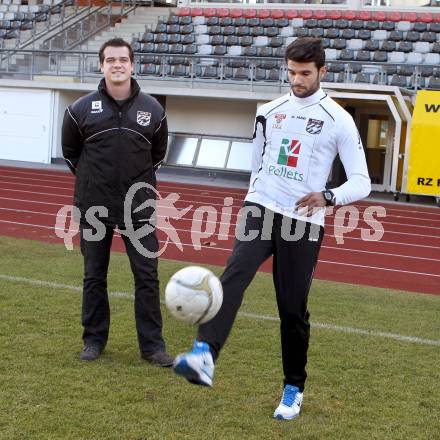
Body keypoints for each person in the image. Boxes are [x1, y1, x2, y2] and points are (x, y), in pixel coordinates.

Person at [173, 37, 371, 419]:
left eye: (305, 74)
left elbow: (361, 181)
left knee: (292, 309)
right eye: (292, 72)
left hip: (303, 222)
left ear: (322, 72)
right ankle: (204, 356)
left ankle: (293, 388)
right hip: (261, 208)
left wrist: (328, 197)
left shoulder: (338, 120)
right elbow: (257, 165)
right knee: (232, 277)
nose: (297, 80)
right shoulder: (268, 110)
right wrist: (253, 198)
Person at [61, 38, 173, 366]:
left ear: (133, 65)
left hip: (137, 209)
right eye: (110, 60)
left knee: (147, 277)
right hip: (94, 208)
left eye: (123, 59)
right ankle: (93, 340)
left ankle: (152, 347)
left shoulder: (153, 110)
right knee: (94, 275)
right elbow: (71, 154)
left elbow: (157, 155)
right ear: (101, 65)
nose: (117, 65)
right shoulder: (80, 109)